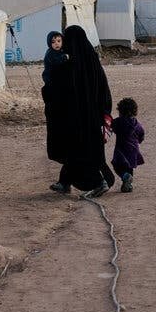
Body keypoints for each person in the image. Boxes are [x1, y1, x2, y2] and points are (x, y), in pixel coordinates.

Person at [45, 24, 115, 197]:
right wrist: (103, 111)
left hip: (76, 119)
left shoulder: (70, 64)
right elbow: (103, 89)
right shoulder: (91, 59)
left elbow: (55, 90)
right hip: (92, 117)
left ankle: (99, 182)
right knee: (82, 151)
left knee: (80, 152)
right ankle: (64, 182)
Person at [111, 97, 145, 193]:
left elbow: (112, 127)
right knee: (129, 167)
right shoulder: (136, 124)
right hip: (134, 149)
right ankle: (128, 185)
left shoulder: (118, 122)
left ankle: (125, 177)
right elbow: (141, 134)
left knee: (116, 165)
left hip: (121, 149)